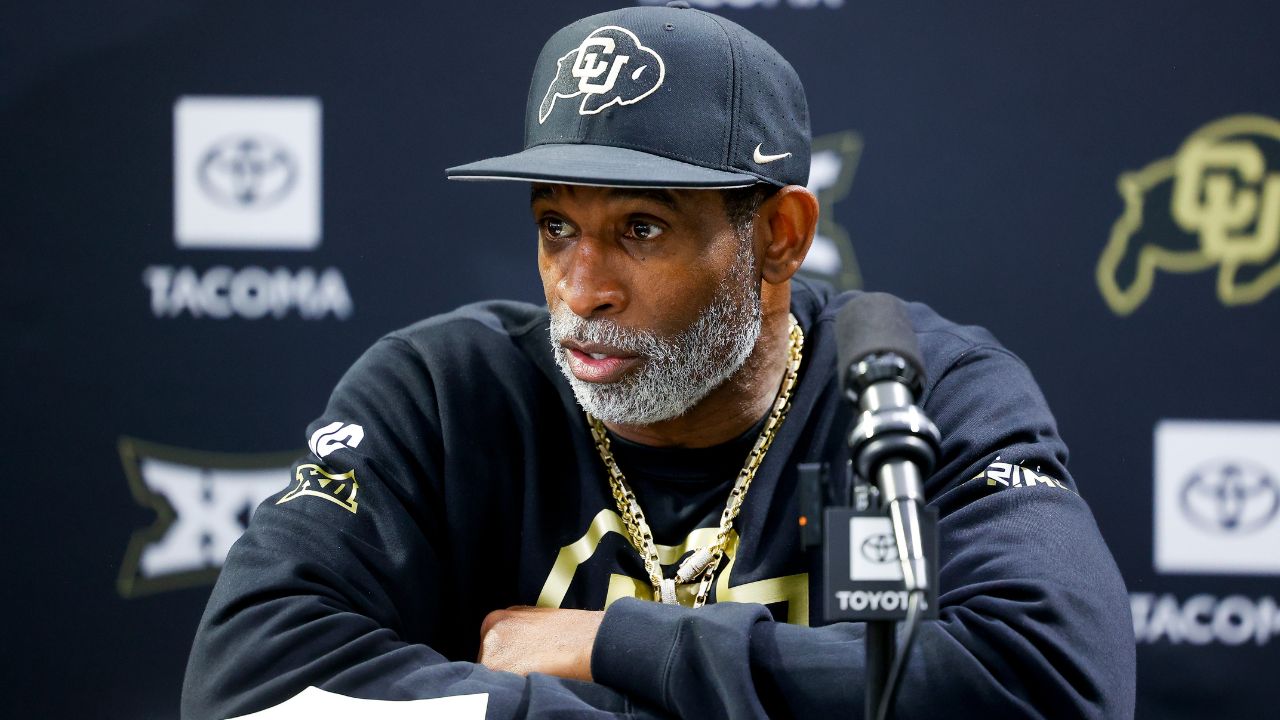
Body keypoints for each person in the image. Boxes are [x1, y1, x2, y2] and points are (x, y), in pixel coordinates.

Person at [183, 4, 1136, 718]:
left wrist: (617, 645)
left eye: (641, 228)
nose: (582, 289)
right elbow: (251, 679)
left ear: (779, 236)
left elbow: (1057, 681)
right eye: (556, 226)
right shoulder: (441, 393)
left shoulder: (909, 389)